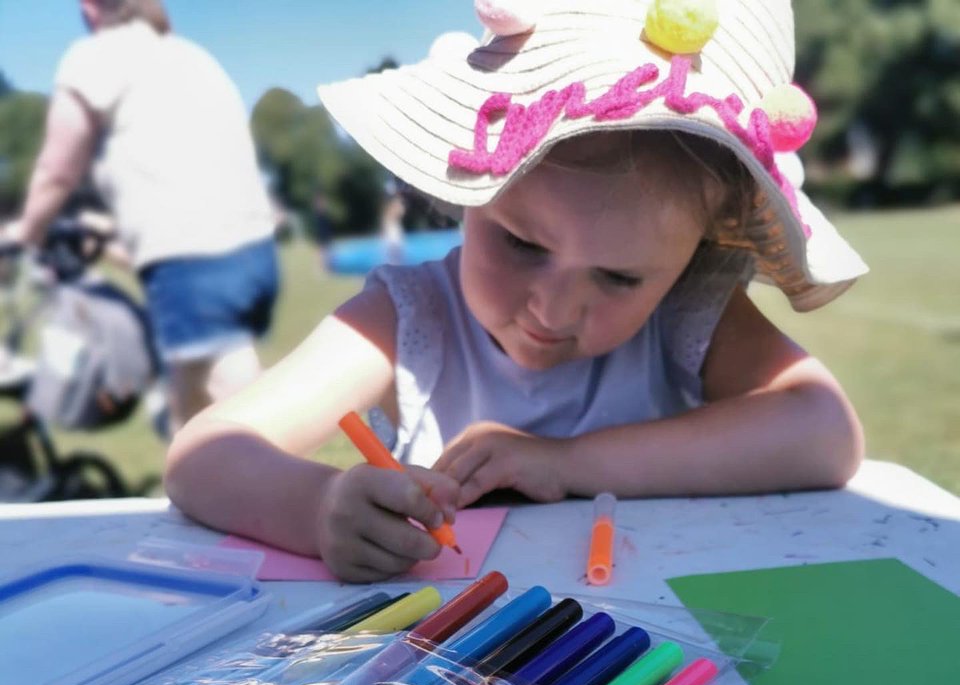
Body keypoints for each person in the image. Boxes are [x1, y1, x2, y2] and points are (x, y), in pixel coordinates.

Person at [165, 0, 868, 581]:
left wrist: (568, 465)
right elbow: (208, 453)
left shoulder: (686, 309)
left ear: (698, 247)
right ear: (466, 191)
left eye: (620, 277)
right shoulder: (409, 318)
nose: (554, 312)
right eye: (522, 244)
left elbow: (824, 431)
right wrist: (318, 508)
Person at [2, 0, 279, 434]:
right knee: (193, 403)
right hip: (255, 251)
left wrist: (27, 231)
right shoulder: (187, 55)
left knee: (219, 403)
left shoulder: (94, 56)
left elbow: (58, 170)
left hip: (195, 256)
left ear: (91, 9)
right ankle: (211, 484)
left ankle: (272, 490)